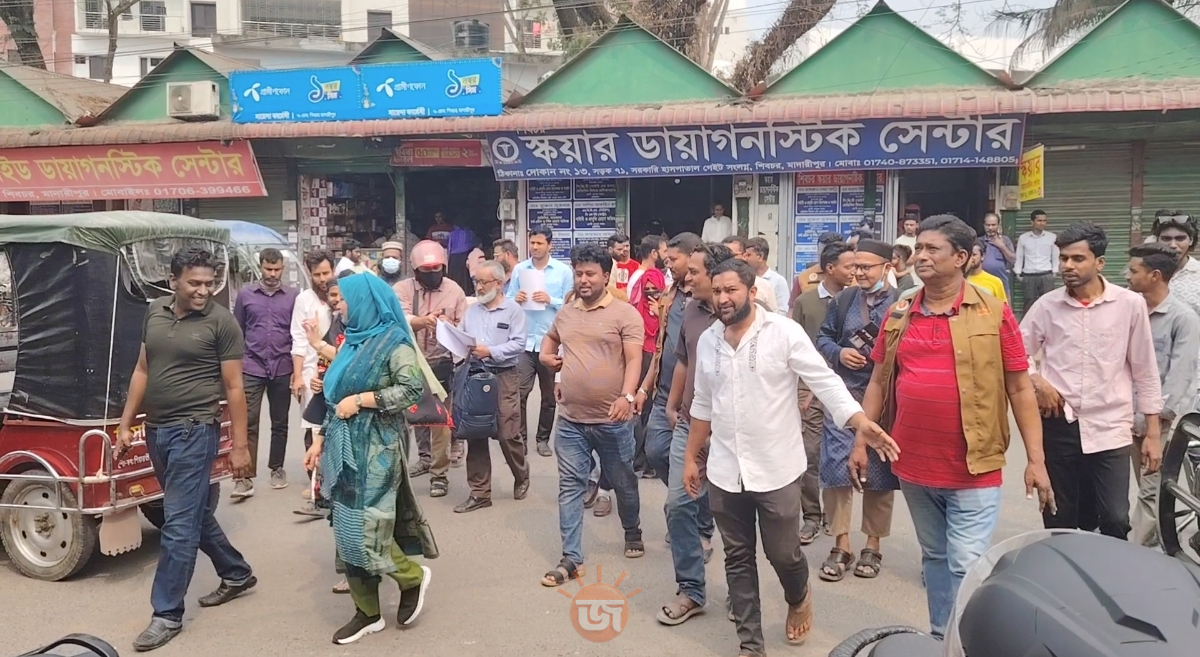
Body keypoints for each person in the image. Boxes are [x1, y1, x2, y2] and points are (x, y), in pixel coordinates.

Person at [856, 214, 1052, 639]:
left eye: (932, 249)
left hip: (973, 465)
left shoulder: (993, 312)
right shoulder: (900, 311)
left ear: (961, 257)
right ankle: (941, 637)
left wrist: (1036, 460)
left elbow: (1020, 388)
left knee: (966, 562)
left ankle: (968, 641)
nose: (921, 256)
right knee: (935, 557)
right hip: (912, 464)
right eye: (919, 249)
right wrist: (861, 439)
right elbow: (878, 381)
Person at [682, 258, 891, 653]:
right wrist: (691, 457)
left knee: (783, 554)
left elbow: (824, 381)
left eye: (732, 290)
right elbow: (703, 404)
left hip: (776, 467)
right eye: (718, 290)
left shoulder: (783, 332)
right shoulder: (709, 340)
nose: (723, 298)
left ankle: (798, 596)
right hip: (725, 470)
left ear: (752, 291)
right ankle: (750, 645)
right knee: (737, 557)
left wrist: (859, 420)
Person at [117, 247, 256, 652]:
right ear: (173, 280)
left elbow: (235, 388)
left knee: (177, 523)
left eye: (209, 284)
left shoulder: (221, 322)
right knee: (189, 510)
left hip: (195, 432)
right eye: (194, 283)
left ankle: (166, 613)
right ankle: (236, 572)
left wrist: (240, 447)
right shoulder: (154, 312)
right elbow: (142, 369)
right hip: (156, 431)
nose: (203, 291)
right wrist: (125, 424)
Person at [304, 274, 436, 645]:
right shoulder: (352, 341)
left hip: (378, 447)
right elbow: (335, 396)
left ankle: (411, 576)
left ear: (364, 301)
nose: (339, 304)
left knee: (368, 526)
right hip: (342, 444)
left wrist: (363, 400)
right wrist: (318, 441)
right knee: (345, 527)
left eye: (344, 299)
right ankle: (367, 613)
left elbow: (411, 389)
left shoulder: (395, 342)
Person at [1022, 221, 1162, 540]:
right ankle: (1067, 568)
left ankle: (1108, 568)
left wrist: (1152, 433)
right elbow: (1016, 352)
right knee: (1059, 516)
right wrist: (1036, 380)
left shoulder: (1129, 305)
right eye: (1063, 259)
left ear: (1099, 262)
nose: (1067, 266)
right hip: (1060, 423)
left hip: (1110, 426)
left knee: (1114, 518)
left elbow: (1145, 370)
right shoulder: (1047, 306)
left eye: (1077, 259)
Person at [538, 243, 645, 587]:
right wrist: (546, 359)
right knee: (570, 486)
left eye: (590, 274)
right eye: (579, 273)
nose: (583, 280)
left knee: (623, 481)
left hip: (613, 420)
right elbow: (551, 339)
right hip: (571, 419)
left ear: (606, 275)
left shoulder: (625, 314)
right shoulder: (567, 312)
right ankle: (571, 558)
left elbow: (634, 360)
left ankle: (632, 529)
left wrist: (627, 396)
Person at [652, 242, 732, 626]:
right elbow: (683, 359)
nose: (688, 278)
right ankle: (691, 590)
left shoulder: (747, 316)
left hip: (732, 430)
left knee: (734, 515)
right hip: (690, 423)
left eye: (695, 272)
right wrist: (672, 405)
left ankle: (740, 592)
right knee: (677, 504)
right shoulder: (690, 310)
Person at [814, 239, 900, 582]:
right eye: (855, 267)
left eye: (866, 267)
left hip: (885, 399)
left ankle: (872, 544)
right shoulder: (844, 300)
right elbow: (822, 338)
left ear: (887, 267)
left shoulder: (902, 304)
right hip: (844, 397)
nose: (859, 273)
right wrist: (838, 353)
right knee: (836, 468)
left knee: (879, 472)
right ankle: (842, 543)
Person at [1125, 242, 1200, 548]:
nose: (1127, 275)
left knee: (1150, 491)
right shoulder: (1129, 309)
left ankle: (1136, 554)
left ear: (1154, 275)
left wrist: (1153, 424)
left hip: (1158, 424)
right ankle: (1152, 545)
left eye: (1133, 270)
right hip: (1125, 417)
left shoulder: (1183, 318)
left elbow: (1180, 378)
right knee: (1141, 486)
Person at [792, 242, 857, 544]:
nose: (854, 272)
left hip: (847, 384)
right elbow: (792, 345)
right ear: (830, 268)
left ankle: (835, 516)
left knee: (838, 454)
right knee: (809, 451)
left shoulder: (856, 300)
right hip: (808, 383)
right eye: (849, 266)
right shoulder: (805, 302)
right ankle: (811, 516)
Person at [454, 260, 530, 513]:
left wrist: (491, 351)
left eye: (483, 282)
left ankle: (521, 474)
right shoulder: (472, 311)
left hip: (504, 375)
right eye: (476, 282)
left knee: (508, 432)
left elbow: (519, 343)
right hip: (476, 376)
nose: (478, 287)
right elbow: (461, 336)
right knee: (475, 432)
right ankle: (480, 493)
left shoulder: (513, 311)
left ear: (499, 283)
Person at [394, 240, 468, 497]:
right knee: (408, 419)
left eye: (437, 269)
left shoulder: (454, 291)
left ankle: (439, 474)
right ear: (415, 270)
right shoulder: (402, 289)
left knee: (440, 422)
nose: (432, 274)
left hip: (441, 363)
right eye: (426, 270)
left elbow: (464, 326)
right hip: (409, 363)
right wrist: (420, 321)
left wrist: (448, 325)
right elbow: (399, 318)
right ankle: (407, 468)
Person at [640, 232, 704, 490]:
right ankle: (685, 494)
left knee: (694, 459)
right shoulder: (669, 294)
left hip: (695, 399)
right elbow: (661, 346)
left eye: (674, 260)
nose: (668, 265)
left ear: (692, 257)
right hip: (664, 393)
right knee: (655, 451)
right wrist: (644, 388)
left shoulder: (707, 299)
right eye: (667, 259)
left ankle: (688, 503)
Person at [231, 248, 298, 495]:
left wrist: (297, 370)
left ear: (282, 269)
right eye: (268, 269)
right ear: (260, 267)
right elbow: (238, 330)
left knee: (280, 422)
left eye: (277, 269)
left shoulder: (293, 296)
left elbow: (297, 333)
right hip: (252, 366)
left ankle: (277, 468)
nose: (272, 274)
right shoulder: (245, 295)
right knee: (248, 421)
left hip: (282, 366)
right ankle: (245, 476)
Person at [508, 226, 574, 458]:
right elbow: (508, 299)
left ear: (550, 245)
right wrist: (515, 298)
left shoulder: (563, 271)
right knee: (520, 392)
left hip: (550, 341)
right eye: (532, 243)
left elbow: (570, 303)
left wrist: (550, 299)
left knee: (549, 396)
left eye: (539, 243)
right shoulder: (519, 269)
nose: (535, 247)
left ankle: (543, 439)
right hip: (524, 341)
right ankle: (521, 439)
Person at [285, 250, 336, 501]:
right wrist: (297, 377)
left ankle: (335, 481)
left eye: (326, 273)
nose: (322, 279)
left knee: (335, 425)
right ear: (309, 273)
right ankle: (316, 482)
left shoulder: (341, 295)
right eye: (317, 274)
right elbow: (298, 340)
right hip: (310, 372)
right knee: (313, 425)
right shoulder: (304, 300)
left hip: (338, 368)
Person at [629, 242, 667, 478]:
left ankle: (649, 461)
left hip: (658, 359)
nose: (651, 294)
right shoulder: (635, 314)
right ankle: (638, 460)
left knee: (652, 413)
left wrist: (660, 313)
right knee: (640, 413)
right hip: (642, 356)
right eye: (648, 290)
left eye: (656, 290)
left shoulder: (668, 310)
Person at [1152, 210, 1200, 317]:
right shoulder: (1147, 272)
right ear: (1157, 240)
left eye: (1180, 238)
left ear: (1191, 240)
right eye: (1166, 239)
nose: (1173, 245)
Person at [721, 235, 781, 313]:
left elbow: (773, 316)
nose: (728, 260)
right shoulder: (713, 285)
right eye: (724, 256)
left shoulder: (763, 286)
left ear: (745, 256)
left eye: (733, 255)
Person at [1014, 210, 1058, 314]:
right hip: (1029, 275)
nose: (1042, 223)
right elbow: (1019, 256)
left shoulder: (1052, 237)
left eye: (1044, 221)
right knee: (1029, 302)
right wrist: (1018, 273)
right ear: (1032, 222)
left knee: (1048, 302)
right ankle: (1027, 323)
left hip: (1046, 274)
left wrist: (1055, 272)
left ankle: (1048, 323)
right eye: (1039, 221)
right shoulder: (1023, 238)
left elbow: (1055, 256)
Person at [791, 232, 844, 307]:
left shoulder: (853, 276)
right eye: (822, 254)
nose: (825, 258)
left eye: (830, 255)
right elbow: (792, 309)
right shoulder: (803, 278)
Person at [744, 236, 791, 315]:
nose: (745, 258)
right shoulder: (744, 278)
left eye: (749, 255)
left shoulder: (778, 281)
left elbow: (783, 311)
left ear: (760, 257)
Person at [980, 213, 1016, 299]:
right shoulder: (979, 241)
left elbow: (1013, 260)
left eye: (993, 225)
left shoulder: (1005, 240)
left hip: (1002, 283)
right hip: (983, 284)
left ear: (998, 225)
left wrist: (1001, 246)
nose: (990, 228)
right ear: (984, 226)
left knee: (1004, 307)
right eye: (988, 225)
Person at [627, 234, 666, 302]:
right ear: (654, 253)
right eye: (665, 251)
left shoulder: (644, 274)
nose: (667, 255)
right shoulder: (640, 277)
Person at [447, 224, 479, 296]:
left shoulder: (452, 234)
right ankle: (465, 293)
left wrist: (448, 260)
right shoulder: (470, 233)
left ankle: (453, 293)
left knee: (454, 276)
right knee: (465, 277)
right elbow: (474, 245)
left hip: (453, 257)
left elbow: (449, 248)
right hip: (465, 255)